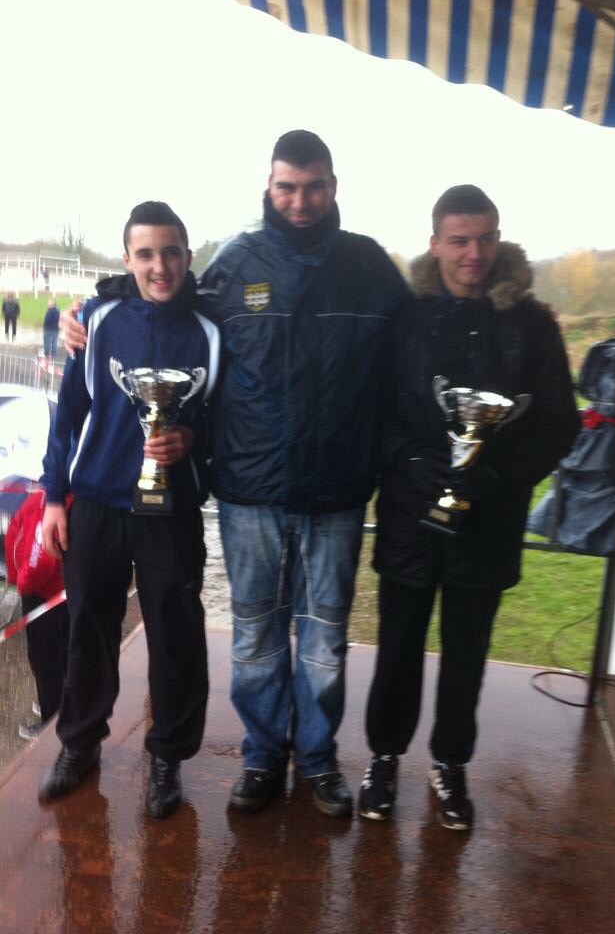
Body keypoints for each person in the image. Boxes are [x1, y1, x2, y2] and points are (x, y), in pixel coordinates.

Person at [64, 132, 410, 818]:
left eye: (313, 186)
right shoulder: (237, 264)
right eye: (287, 186)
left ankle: (315, 760)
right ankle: (261, 758)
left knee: (323, 640)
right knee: (254, 635)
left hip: (338, 491)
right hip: (252, 490)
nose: (300, 200)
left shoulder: (370, 267)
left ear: (333, 185)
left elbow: (417, 338)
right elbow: (165, 291)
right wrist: (95, 303)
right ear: (269, 186)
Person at [358, 185, 580, 830]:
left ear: (499, 238)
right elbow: (376, 409)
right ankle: (384, 759)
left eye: (485, 238)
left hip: (489, 521)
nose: (474, 254)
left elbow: (559, 425)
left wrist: (497, 477)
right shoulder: (406, 319)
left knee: (467, 653)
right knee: (397, 645)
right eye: (459, 240)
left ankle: (450, 765)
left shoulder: (532, 325)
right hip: (409, 513)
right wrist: (410, 461)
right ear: (435, 244)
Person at [39, 201, 220, 819]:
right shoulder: (97, 318)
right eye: (145, 254)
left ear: (187, 256)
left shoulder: (211, 330)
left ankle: (167, 756)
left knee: (175, 632)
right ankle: (79, 744)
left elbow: (228, 422)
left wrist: (192, 440)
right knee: (88, 627)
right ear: (127, 261)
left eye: (170, 252)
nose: (159, 265)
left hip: (170, 510)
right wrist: (54, 497)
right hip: (95, 503)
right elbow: (68, 414)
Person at [5, 488, 69, 740]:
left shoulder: (44, 503)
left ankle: (51, 721)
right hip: (66, 591)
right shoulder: (76, 499)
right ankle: (60, 705)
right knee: (64, 653)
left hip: (42, 595)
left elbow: (37, 555)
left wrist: (23, 586)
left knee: (45, 661)